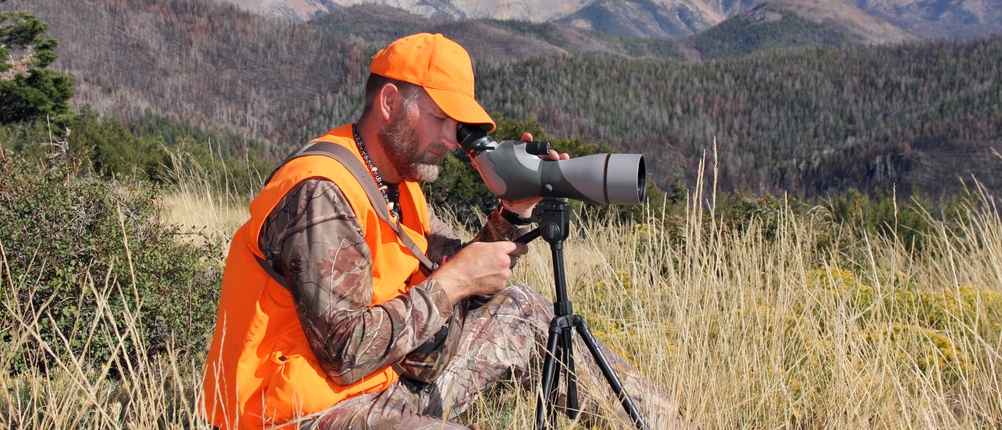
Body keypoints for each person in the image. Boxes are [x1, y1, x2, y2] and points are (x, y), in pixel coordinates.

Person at [201, 32, 686, 430]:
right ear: (390, 102)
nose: (452, 140)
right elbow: (345, 354)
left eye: (458, 125)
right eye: (440, 119)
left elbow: (453, 272)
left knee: (523, 308)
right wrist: (455, 284)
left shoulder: (398, 183)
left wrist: (515, 211)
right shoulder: (322, 192)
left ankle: (663, 423)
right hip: (297, 409)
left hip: (380, 380)